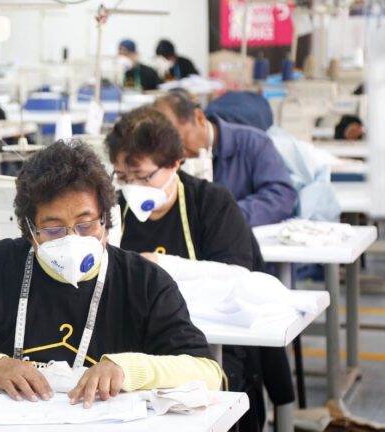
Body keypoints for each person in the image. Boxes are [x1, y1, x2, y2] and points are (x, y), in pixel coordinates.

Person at [0, 140, 223, 406]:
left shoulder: (144, 283)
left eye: (86, 224)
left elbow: (208, 372)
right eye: (53, 230)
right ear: (29, 231)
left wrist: (127, 368)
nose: (72, 239)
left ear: (106, 220)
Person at [105, 107, 294, 431]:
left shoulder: (211, 203)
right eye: (123, 177)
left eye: (142, 176)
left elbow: (236, 280)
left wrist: (162, 267)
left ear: (175, 163)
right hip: (138, 343)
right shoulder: (113, 210)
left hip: (210, 347)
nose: (132, 186)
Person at [153, 91, 297, 227]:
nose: (179, 154)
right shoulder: (165, 160)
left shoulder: (254, 143)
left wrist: (226, 216)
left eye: (181, 141)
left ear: (200, 118)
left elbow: (281, 198)